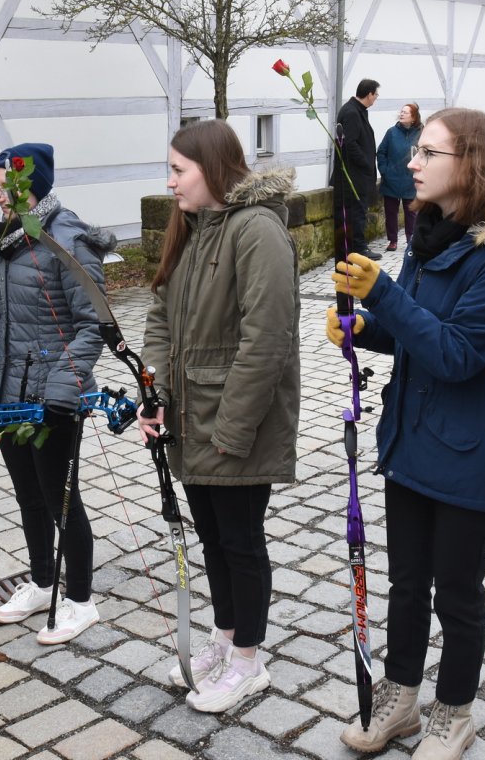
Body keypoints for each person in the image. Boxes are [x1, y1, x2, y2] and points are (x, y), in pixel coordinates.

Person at [330, 108, 485, 759]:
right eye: (416, 151)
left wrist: (382, 296)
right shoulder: (432, 239)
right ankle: (398, 700)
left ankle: (454, 713)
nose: (411, 164)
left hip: (467, 453)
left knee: (456, 593)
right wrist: (366, 331)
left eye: (428, 153)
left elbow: (457, 355)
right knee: (406, 583)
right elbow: (411, 334)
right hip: (410, 441)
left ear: (471, 166)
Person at [140, 120, 301, 714]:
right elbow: (160, 313)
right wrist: (152, 388)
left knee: (239, 540)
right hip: (190, 416)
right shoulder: (193, 226)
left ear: (212, 167)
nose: (171, 181)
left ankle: (248, 663)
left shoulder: (256, 231)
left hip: (237, 421)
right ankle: (224, 637)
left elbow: (267, 340)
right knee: (211, 536)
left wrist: (233, 427)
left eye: (179, 170)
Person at [0, 142, 114, 644]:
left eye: (3, 186)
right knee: (28, 496)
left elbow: (92, 325)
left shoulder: (67, 238)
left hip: (54, 396)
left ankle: (80, 600)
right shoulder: (3, 239)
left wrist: (61, 391)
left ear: (29, 185)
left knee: (61, 498)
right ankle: (40, 581)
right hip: (10, 391)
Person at [334, 79, 381, 260]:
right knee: (357, 212)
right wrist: (366, 164)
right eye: (376, 95)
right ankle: (359, 248)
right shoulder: (352, 112)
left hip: (357, 174)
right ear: (369, 94)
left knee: (358, 211)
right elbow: (350, 144)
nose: (376, 98)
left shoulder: (356, 110)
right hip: (354, 175)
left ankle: (356, 247)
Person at [377, 103, 422, 251]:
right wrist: (385, 171)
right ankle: (393, 240)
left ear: (414, 117)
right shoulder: (391, 132)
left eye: (406, 112)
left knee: (411, 213)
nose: (401, 114)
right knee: (391, 212)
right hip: (391, 179)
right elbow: (381, 152)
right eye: (401, 112)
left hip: (411, 180)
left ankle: (411, 239)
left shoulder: (421, 133)